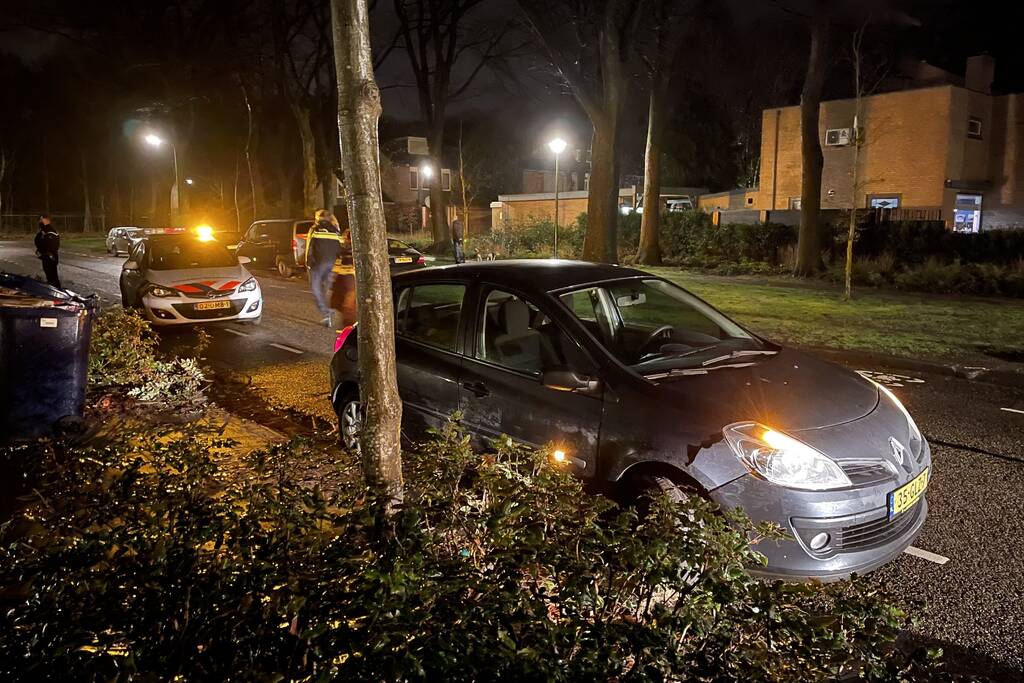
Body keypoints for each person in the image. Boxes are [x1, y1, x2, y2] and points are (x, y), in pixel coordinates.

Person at [305, 209, 343, 326]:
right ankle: (330, 312)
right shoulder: (336, 230)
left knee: (316, 288)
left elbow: (309, 247)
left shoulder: (315, 229)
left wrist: (308, 262)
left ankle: (326, 313)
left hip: (318, 264)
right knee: (327, 290)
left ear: (318, 218)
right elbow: (340, 248)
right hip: (332, 264)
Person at [34, 215, 62, 289]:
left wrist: (45, 251)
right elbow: (38, 241)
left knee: (52, 274)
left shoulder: (51, 232)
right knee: (48, 274)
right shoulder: (43, 231)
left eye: (42, 220)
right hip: (45, 255)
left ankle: (57, 290)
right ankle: (52, 288)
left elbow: (52, 245)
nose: (40, 222)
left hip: (50, 256)